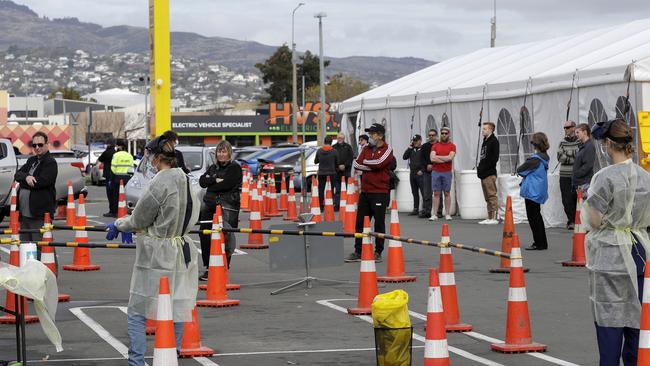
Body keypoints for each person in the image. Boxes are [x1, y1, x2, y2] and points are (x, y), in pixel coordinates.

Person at [108, 136, 200, 366]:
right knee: (176, 307)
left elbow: (139, 218)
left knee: (138, 310)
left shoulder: (160, 183)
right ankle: (171, 354)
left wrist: (120, 224)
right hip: (183, 250)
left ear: (158, 158)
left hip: (158, 252)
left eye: (150, 156)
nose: (148, 161)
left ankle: (137, 362)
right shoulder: (188, 180)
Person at [580, 119, 650, 366]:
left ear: (608, 144)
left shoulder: (604, 178)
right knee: (637, 314)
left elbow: (594, 219)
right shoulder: (645, 176)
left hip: (610, 252)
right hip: (640, 249)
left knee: (609, 315)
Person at [346, 123, 393, 263]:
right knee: (360, 222)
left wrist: (367, 164)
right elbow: (356, 164)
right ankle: (358, 250)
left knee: (379, 223)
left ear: (380, 135)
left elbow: (379, 163)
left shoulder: (387, 149)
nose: (370, 136)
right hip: (365, 191)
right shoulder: (366, 148)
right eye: (370, 133)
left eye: (372, 133)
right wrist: (370, 165)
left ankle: (378, 251)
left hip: (379, 191)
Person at [198, 140, 242, 280]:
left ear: (229, 153)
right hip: (209, 206)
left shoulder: (234, 168)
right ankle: (209, 267)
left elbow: (227, 185)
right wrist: (214, 179)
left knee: (225, 237)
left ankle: (223, 267)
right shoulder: (213, 167)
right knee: (204, 235)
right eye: (219, 151)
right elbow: (202, 181)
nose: (221, 154)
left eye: (224, 151)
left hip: (227, 206)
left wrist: (212, 182)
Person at [14, 131, 58, 261]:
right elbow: (17, 175)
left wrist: (26, 181)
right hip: (25, 213)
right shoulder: (31, 160)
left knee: (42, 246)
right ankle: (31, 275)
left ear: (47, 144)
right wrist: (27, 177)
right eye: (34, 145)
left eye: (40, 144)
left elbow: (41, 182)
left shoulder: (50, 162)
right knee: (25, 247)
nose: (37, 147)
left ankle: (49, 273)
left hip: (39, 214)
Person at [517, 132, 550, 251]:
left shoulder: (534, 159)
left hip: (532, 190)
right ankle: (542, 242)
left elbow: (520, 170)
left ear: (535, 144)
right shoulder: (545, 156)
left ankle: (538, 243)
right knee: (537, 216)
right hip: (539, 189)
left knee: (533, 217)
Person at [429, 127, 456, 221]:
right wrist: (444, 159)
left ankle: (447, 214)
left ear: (449, 134)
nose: (444, 135)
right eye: (442, 133)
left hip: (447, 172)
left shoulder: (452, 146)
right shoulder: (435, 146)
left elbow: (450, 158)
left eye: (446, 133)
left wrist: (438, 158)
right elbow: (432, 159)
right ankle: (434, 214)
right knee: (436, 193)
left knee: (447, 193)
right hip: (436, 172)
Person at [557, 120, 580, 230]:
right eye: (564, 128)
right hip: (564, 175)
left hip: (576, 174)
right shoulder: (562, 142)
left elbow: (579, 157)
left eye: (567, 127)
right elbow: (560, 158)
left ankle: (577, 220)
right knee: (566, 199)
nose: (565, 130)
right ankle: (571, 220)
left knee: (576, 198)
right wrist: (573, 155)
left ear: (574, 128)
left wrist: (568, 154)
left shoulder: (580, 142)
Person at [477, 122, 500, 224]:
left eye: (485, 129)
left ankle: (494, 217)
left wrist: (485, 169)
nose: (483, 130)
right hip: (483, 173)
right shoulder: (485, 141)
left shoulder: (494, 141)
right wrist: (480, 169)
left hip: (489, 173)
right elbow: (483, 158)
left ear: (491, 130)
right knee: (487, 197)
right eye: (483, 129)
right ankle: (489, 216)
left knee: (491, 195)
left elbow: (494, 158)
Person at [418, 128, 443, 219]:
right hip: (427, 172)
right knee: (426, 192)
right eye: (430, 135)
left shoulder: (440, 145)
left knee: (437, 192)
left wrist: (433, 165)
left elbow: (442, 157)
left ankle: (439, 211)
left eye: (433, 135)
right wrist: (426, 166)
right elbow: (421, 158)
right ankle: (427, 210)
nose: (431, 137)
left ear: (436, 136)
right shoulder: (424, 146)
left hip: (438, 170)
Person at [109, 141, 134, 218]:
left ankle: (116, 212)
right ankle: (125, 211)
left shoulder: (116, 155)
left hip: (118, 178)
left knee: (116, 195)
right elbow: (132, 168)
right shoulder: (129, 156)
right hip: (127, 178)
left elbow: (113, 167)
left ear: (120, 147)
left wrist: (115, 174)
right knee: (125, 195)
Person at [314, 135, 339, 210]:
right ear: (331, 142)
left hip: (321, 173)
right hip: (332, 173)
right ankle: (330, 205)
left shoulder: (319, 151)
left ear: (324, 141)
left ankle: (321, 206)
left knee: (321, 190)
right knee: (331, 189)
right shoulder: (334, 151)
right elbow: (337, 162)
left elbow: (315, 161)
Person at [403, 134, 424, 215]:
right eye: (414, 141)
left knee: (423, 191)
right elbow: (404, 157)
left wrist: (422, 170)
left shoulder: (423, 149)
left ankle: (425, 208)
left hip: (420, 173)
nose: (415, 142)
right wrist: (409, 148)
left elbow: (426, 161)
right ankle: (416, 208)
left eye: (416, 141)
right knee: (414, 192)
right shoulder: (411, 150)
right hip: (412, 173)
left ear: (420, 141)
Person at [573, 123, 596, 199]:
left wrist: (576, 174)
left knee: (584, 207)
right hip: (580, 183)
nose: (576, 134)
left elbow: (588, 165)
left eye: (578, 132)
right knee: (580, 208)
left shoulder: (589, 146)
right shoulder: (583, 146)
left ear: (585, 132)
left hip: (584, 183)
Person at [333, 133, 354, 210]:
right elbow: (333, 159)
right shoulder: (334, 147)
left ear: (344, 138)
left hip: (346, 171)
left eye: (341, 138)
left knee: (347, 190)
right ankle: (337, 205)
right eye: (338, 138)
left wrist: (345, 165)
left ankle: (347, 204)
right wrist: (338, 167)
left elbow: (351, 158)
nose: (340, 139)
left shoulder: (348, 147)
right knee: (338, 190)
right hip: (337, 172)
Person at [97, 143, 116, 217]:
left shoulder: (106, 152)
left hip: (108, 175)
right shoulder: (115, 153)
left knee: (110, 194)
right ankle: (116, 210)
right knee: (115, 194)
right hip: (115, 175)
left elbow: (100, 159)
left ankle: (112, 211)